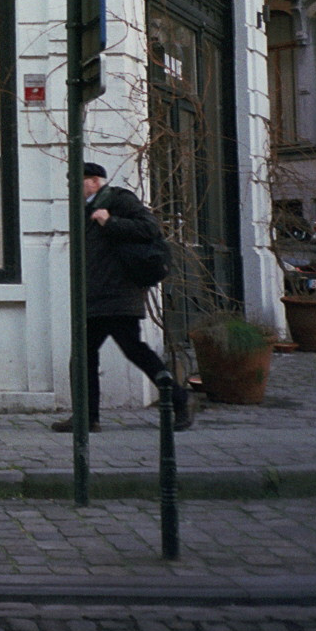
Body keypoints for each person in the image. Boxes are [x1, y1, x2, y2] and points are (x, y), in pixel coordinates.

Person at [52, 161, 192, 433]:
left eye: (76, 182)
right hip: (97, 295)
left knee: (132, 351)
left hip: (119, 294)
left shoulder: (119, 199)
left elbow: (150, 228)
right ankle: (87, 417)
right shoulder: (86, 208)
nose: (71, 188)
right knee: (86, 355)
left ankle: (179, 398)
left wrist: (110, 221)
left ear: (94, 181)